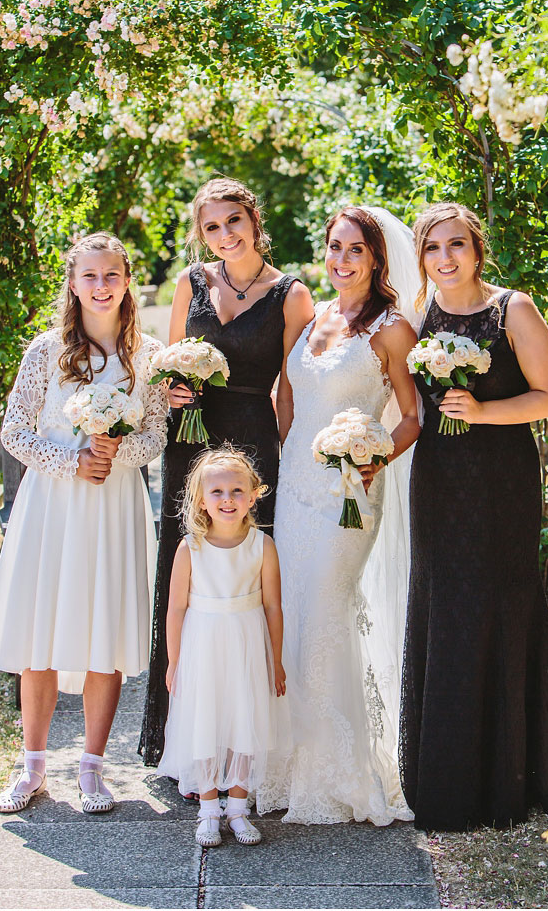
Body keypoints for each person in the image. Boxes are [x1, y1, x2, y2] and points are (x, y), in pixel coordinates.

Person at [401, 202, 548, 829]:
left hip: (500, 480)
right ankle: (445, 775)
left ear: (477, 250)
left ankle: (515, 773)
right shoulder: (417, 315)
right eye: (432, 248)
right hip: (438, 481)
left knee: (500, 603)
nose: (445, 259)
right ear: (421, 257)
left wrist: (481, 412)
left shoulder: (514, 309)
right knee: (444, 604)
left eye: (456, 245)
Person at [0, 232, 168, 814]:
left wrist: (114, 456)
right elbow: (14, 430)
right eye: (90, 276)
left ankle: (92, 768)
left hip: (113, 506)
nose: (101, 286)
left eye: (112, 275)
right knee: (40, 630)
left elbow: (156, 438)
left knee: (103, 635)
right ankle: (32, 767)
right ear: (73, 282)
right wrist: (71, 461)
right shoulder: (46, 351)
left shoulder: (149, 356)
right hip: (51, 503)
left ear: (128, 280)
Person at [255, 205, 421, 826]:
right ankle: (286, 768)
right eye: (334, 247)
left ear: (377, 259)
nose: (342, 260)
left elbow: (412, 415)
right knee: (289, 613)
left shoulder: (391, 329)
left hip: (348, 493)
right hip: (295, 485)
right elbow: (289, 399)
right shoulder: (315, 318)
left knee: (323, 613)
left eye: (355, 250)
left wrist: (377, 457)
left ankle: (337, 776)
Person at [140, 177, 313, 768]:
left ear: (254, 219)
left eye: (232, 222)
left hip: (253, 438)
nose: (223, 235)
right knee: (184, 568)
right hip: (190, 442)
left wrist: (289, 455)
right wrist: (174, 393)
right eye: (211, 227)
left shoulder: (291, 296)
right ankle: (179, 737)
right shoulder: (190, 284)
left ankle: (247, 741)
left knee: (245, 569)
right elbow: (167, 368)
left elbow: (289, 389)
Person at [158, 447, 290, 847]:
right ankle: (209, 809)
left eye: (237, 490)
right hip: (203, 645)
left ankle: (238, 806)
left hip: (247, 645)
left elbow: (272, 606)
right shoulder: (190, 548)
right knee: (206, 721)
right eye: (217, 492)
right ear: (201, 499)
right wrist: (174, 661)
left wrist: (277, 661)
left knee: (243, 721)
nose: (227, 499)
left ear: (253, 495)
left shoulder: (262, 546)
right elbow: (176, 608)